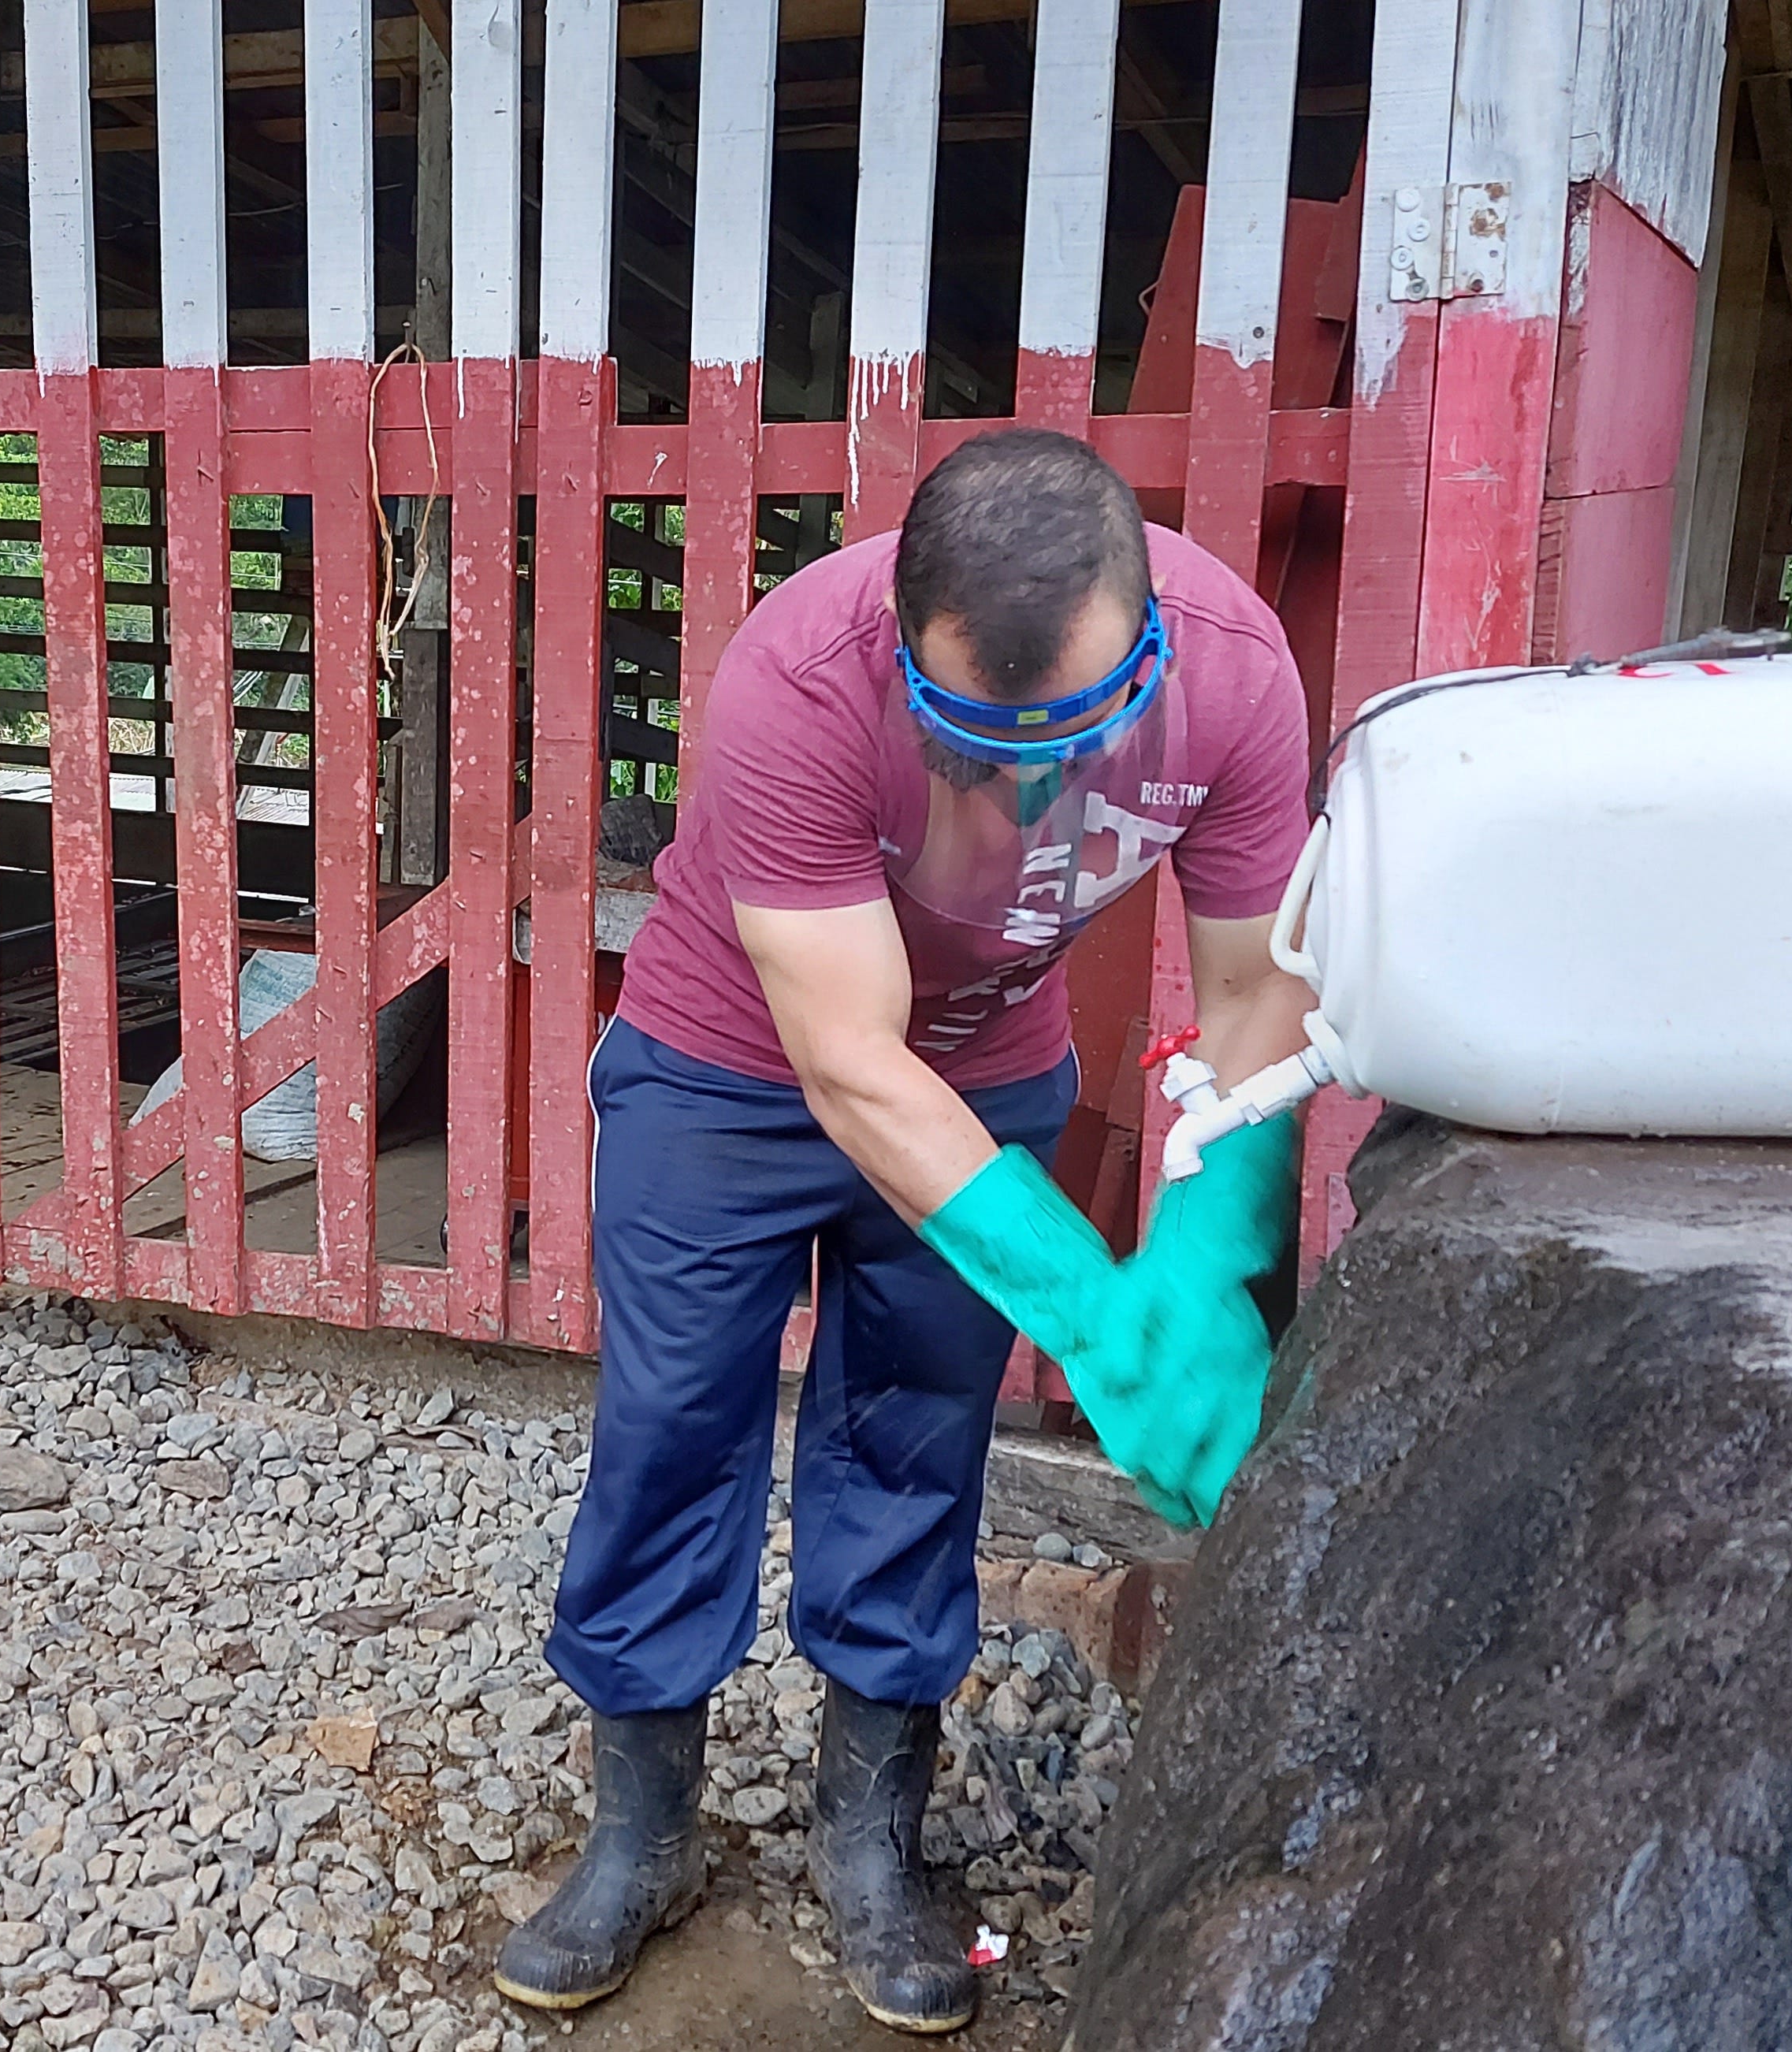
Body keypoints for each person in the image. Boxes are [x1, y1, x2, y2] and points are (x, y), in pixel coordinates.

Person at [493, 429, 1318, 2033]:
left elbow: (1249, 1001)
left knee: (913, 1428)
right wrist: (1082, 1300)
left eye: (1074, 730)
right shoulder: (797, 676)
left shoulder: (1232, 679)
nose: (1022, 784)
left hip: (993, 1067)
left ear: (1147, 635)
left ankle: (871, 1838)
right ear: (901, 633)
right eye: (970, 731)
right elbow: (850, 1056)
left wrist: (1205, 1261)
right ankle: (640, 1835)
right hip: (730, 1069)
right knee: (671, 1427)